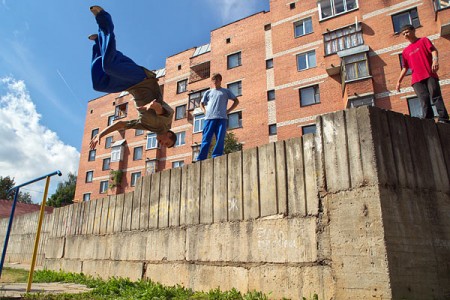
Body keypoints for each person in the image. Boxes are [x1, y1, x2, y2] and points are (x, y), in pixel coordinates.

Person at [88, 6, 177, 150]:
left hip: (130, 86)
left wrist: (101, 135)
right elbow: (160, 109)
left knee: (99, 84)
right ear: (169, 134)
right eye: (166, 143)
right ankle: (104, 19)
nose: (162, 144)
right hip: (142, 79)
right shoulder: (166, 123)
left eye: (164, 146)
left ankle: (99, 43)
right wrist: (152, 106)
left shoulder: (148, 126)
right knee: (109, 66)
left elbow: (121, 124)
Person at [396, 24, 449, 123]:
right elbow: (405, 67)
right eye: (403, 34)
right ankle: (428, 120)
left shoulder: (424, 40)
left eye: (407, 32)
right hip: (416, 79)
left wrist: (435, 61)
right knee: (423, 99)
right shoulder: (405, 51)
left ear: (413, 30)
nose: (406, 35)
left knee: (435, 96)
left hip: (429, 74)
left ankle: (443, 118)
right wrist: (399, 81)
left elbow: (433, 50)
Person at [196, 73, 239, 161]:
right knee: (206, 138)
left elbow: (236, 101)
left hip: (222, 118)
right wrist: (204, 111)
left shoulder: (226, 91)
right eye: (213, 79)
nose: (215, 81)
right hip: (209, 118)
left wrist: (228, 111)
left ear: (220, 80)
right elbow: (201, 103)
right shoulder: (208, 92)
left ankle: (217, 155)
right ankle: (201, 158)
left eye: (217, 79)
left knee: (220, 137)